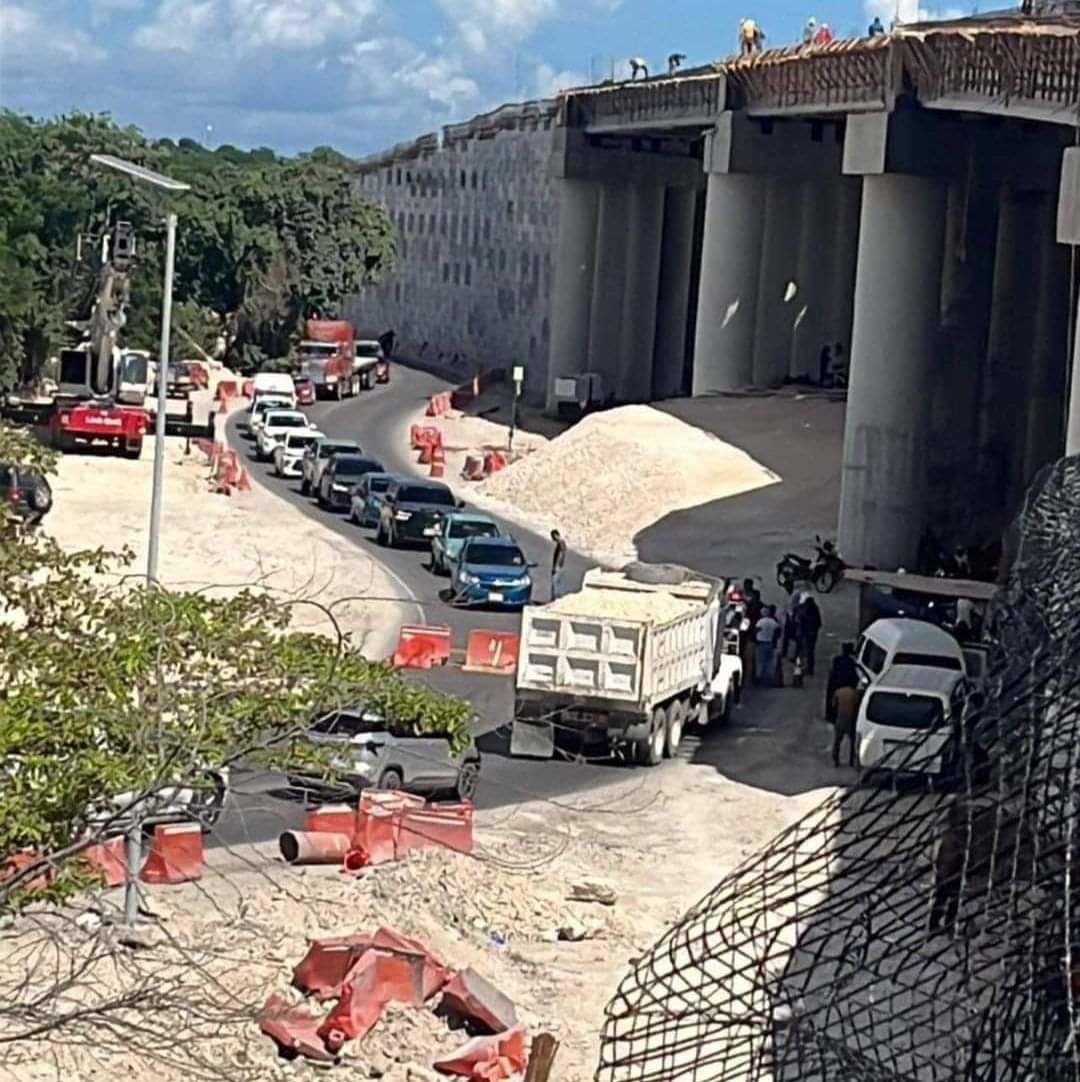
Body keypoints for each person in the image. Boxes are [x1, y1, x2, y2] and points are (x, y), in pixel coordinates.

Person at [825, 642, 858, 722]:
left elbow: (833, 671)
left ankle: (830, 716)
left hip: (836, 683)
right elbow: (854, 675)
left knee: (832, 698)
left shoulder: (837, 660)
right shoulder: (851, 662)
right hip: (845, 684)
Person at [832, 684, 860, 767]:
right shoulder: (853, 693)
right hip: (850, 719)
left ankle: (836, 760)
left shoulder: (838, 692)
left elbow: (833, 705)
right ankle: (851, 761)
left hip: (840, 718)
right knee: (852, 741)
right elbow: (857, 705)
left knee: (837, 740)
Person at [754, 604, 780, 687]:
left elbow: (756, 630)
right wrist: (774, 640)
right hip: (770, 643)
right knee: (769, 663)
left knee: (761, 663)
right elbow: (778, 631)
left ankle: (760, 681)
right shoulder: (773, 622)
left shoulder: (760, 621)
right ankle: (767, 681)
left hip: (761, 643)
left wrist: (756, 639)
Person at [796, 595, 823, 676]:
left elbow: (801, 621)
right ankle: (808, 668)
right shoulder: (814, 611)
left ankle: (805, 668)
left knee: (806, 651)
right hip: (811, 633)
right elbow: (819, 623)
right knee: (810, 651)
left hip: (807, 634)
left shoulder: (806, 611)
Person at [549, 530, 567, 601]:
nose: (552, 539)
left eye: (552, 537)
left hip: (558, 566)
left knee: (555, 583)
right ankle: (554, 598)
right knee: (555, 583)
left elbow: (562, 553)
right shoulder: (560, 543)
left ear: (555, 535)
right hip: (557, 566)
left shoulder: (561, 542)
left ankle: (555, 599)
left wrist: (558, 565)